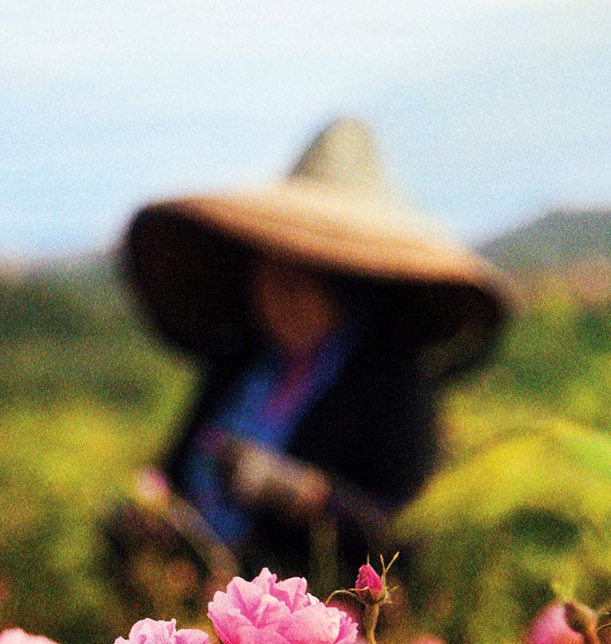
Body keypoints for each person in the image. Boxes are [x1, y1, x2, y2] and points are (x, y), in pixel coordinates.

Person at [115, 116, 509, 596]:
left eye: (300, 279)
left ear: (346, 284)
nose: (279, 296)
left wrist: (301, 495)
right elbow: (174, 474)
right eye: (269, 275)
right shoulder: (239, 366)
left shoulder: (393, 386)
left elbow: (404, 541)